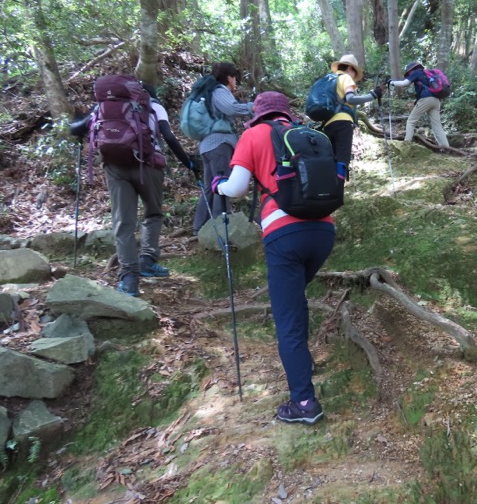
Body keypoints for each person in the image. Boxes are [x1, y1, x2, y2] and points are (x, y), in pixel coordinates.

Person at [212, 92, 335, 425]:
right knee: (295, 304)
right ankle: (303, 365)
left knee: (288, 321)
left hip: (285, 235)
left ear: (257, 114)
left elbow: (236, 188)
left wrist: (219, 186)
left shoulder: (253, 135)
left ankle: (305, 403)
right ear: (285, 112)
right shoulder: (307, 135)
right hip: (323, 232)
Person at [70, 81, 199, 297]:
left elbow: (76, 130)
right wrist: (189, 163)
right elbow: (168, 136)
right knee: (153, 213)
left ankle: (129, 278)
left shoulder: (103, 107)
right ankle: (147, 260)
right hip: (148, 165)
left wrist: (78, 121)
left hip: (115, 167)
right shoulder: (154, 106)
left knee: (123, 222)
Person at [192, 62, 254, 235]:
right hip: (219, 144)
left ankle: (200, 227)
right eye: (235, 78)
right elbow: (231, 108)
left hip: (208, 145)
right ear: (229, 77)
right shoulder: (219, 91)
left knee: (210, 186)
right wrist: (252, 107)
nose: (235, 82)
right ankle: (222, 225)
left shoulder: (209, 92)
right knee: (222, 183)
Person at [322, 54, 383, 176]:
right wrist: (372, 96)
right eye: (355, 72)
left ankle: (330, 190)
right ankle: (339, 191)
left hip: (326, 123)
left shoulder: (329, 80)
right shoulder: (345, 77)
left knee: (331, 158)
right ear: (350, 69)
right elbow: (350, 99)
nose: (354, 77)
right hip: (343, 122)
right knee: (342, 159)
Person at [389, 61, 450, 147]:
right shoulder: (427, 74)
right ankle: (446, 148)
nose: (409, 73)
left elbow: (404, 83)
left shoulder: (416, 72)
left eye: (409, 72)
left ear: (411, 70)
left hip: (426, 99)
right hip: (436, 101)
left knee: (411, 121)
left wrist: (391, 82)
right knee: (437, 126)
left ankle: (407, 144)